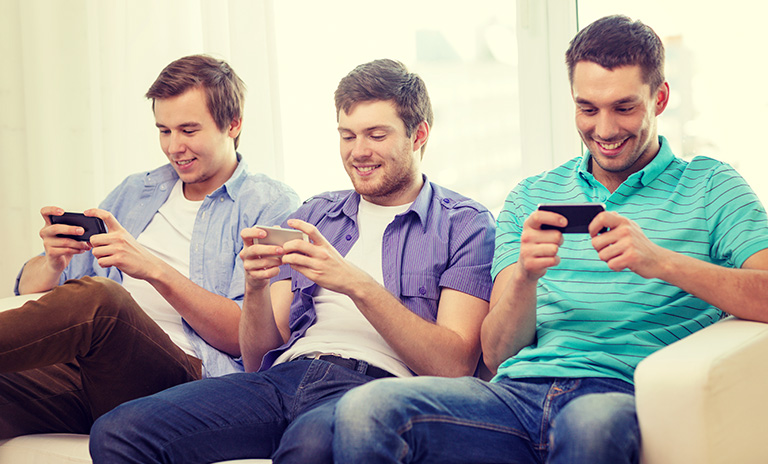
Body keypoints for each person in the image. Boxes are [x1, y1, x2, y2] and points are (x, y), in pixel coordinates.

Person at [327, 15, 768, 464]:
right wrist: (526, 277)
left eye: (624, 107)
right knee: (368, 409)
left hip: (619, 393)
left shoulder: (711, 185)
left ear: (660, 98)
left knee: (589, 425)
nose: (605, 129)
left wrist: (661, 262)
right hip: (517, 395)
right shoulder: (531, 196)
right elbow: (497, 355)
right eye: (588, 108)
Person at [89, 58, 496, 463]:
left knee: (309, 446)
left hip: (371, 388)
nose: (359, 152)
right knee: (119, 431)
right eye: (347, 135)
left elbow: (453, 367)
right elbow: (258, 354)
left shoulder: (465, 224)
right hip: (281, 378)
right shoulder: (316, 213)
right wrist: (256, 287)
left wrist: (355, 283)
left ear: (419, 134)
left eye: (376, 135)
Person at [0, 54, 299, 439]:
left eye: (189, 130)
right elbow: (32, 289)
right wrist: (54, 263)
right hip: (89, 374)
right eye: (164, 130)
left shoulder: (270, 205)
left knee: (103, 301)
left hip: (181, 380)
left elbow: (248, 339)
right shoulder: (136, 191)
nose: (174, 147)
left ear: (233, 124)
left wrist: (153, 269)